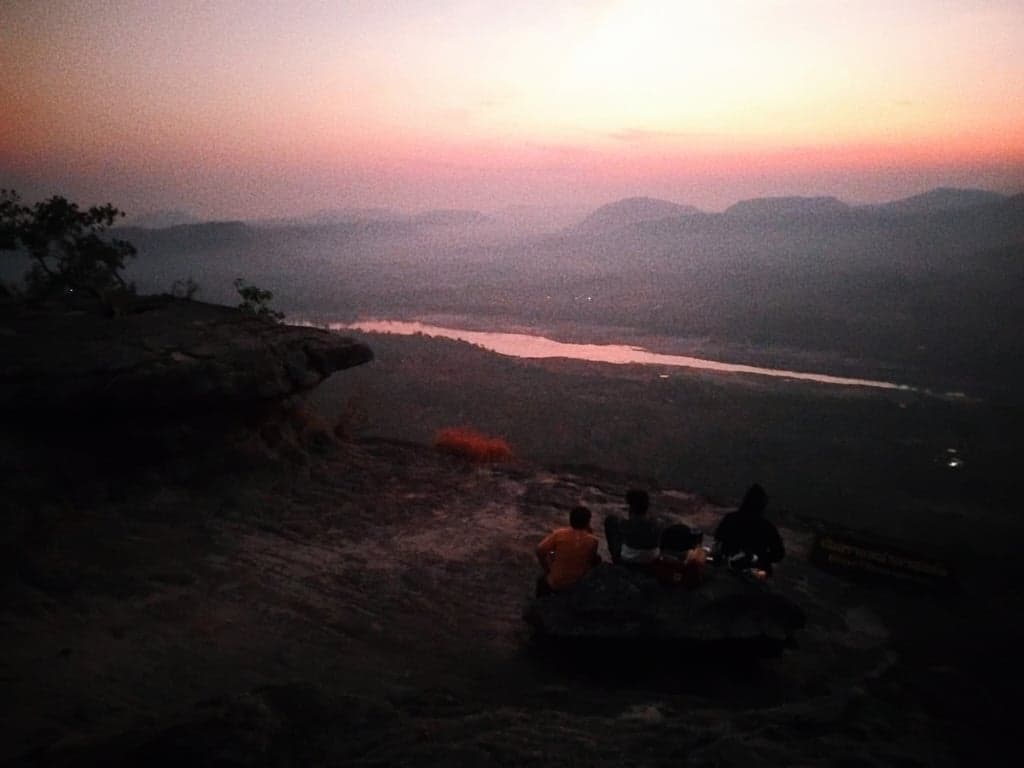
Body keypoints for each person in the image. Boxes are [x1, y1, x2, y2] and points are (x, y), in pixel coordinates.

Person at [712, 484, 785, 575]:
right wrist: (762, 558)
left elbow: (717, 541)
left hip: (729, 568)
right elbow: (779, 554)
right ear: (762, 505)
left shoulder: (731, 518)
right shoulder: (767, 527)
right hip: (752, 570)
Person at [535, 506, 601, 596]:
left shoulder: (559, 534)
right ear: (588, 522)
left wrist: (547, 568)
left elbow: (540, 550)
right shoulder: (593, 540)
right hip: (577, 585)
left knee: (541, 581)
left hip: (555, 583)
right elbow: (591, 559)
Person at [604, 488, 660, 565]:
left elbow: (621, 526)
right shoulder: (656, 525)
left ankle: (616, 561)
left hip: (626, 560)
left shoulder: (626, 525)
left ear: (630, 505)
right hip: (651, 561)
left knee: (610, 521)